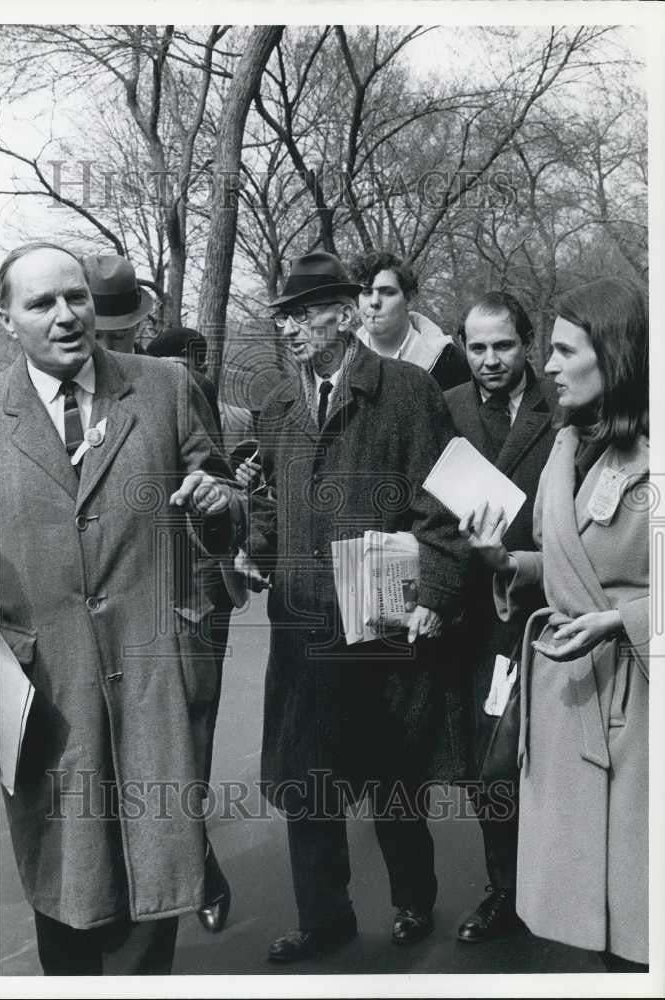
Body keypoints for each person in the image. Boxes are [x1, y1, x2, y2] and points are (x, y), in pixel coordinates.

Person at [0, 242, 241, 975]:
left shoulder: (163, 386)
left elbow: (229, 500)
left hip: (153, 674)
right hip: (47, 694)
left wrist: (220, 501)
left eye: (75, 297)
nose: (66, 315)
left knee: (150, 876)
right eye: (40, 303)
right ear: (6, 320)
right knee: (66, 880)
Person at [245, 251, 468, 963]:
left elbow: (445, 504)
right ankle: (323, 917)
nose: (290, 331)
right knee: (307, 779)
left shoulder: (405, 391)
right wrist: (255, 541)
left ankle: (412, 901)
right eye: (283, 318)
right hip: (302, 624)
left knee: (390, 773)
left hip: (379, 618)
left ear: (344, 316)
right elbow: (271, 508)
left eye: (303, 315)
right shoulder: (279, 404)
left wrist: (433, 591)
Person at [460, 277, 649, 970]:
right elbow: (565, 561)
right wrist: (505, 561)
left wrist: (619, 620)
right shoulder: (568, 448)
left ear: (613, 355)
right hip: (570, 693)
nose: (546, 366)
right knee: (596, 909)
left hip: (639, 709)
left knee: (638, 911)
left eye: (564, 350)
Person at [444, 291, 558, 942]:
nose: (489, 360)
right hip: (473, 617)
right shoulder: (449, 409)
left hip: (548, 610)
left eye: (503, 346)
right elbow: (426, 507)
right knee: (485, 766)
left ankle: (559, 887)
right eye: (477, 347)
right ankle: (504, 892)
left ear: (527, 343)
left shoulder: (565, 410)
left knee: (551, 761)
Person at [146, 325, 235, 933]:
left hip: (187, 600)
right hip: (115, 604)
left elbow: (216, 488)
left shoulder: (185, 392)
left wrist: (202, 598)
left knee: (189, 735)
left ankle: (196, 857)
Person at [350, 250, 470, 390]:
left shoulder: (449, 361)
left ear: (408, 298)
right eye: (367, 292)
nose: (374, 302)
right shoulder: (342, 361)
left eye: (387, 292)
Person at [83, 253, 155, 354]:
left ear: (138, 325)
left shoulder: (158, 369)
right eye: (96, 336)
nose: (106, 348)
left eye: (118, 337)